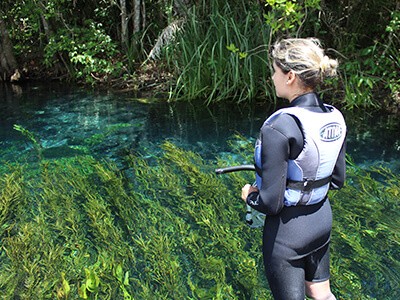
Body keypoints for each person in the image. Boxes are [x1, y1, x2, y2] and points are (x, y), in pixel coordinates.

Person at [241, 38, 346, 300]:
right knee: (321, 293)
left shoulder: (279, 127)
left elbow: (271, 204)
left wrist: (249, 196)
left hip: (287, 234)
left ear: (290, 76)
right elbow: (337, 179)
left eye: (274, 71)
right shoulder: (334, 116)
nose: (272, 77)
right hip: (321, 220)